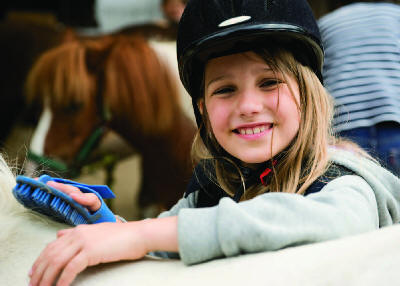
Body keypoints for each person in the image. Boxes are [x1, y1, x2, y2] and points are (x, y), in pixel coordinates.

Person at [29, 0, 400, 285]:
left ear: (309, 94)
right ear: (203, 111)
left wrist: (140, 233)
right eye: (225, 89)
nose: (248, 106)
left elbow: (337, 221)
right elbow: (171, 238)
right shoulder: (212, 187)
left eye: (269, 82)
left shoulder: (342, 179)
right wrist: (107, 222)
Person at [318, 0, 400, 175]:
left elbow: (317, 76)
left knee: (356, 188)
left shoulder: (326, 23)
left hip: (345, 124)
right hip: (392, 118)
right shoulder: (394, 14)